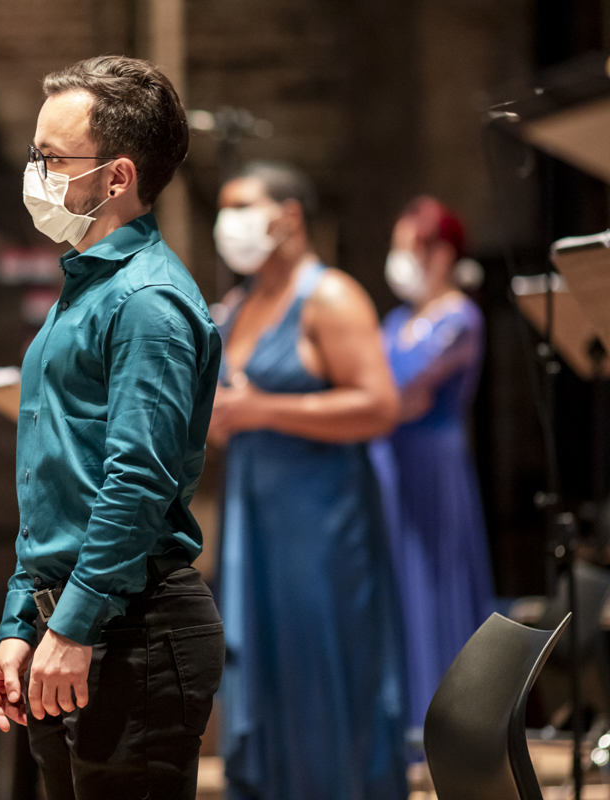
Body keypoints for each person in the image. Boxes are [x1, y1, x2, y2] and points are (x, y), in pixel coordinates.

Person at [0, 56, 224, 800]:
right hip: (76, 618)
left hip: (134, 630)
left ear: (117, 178)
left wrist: (75, 626)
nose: (35, 173)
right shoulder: (90, 286)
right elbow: (59, 479)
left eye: (51, 159)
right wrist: (22, 622)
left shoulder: (147, 299)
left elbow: (137, 480)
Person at [208, 162, 406, 799]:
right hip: (251, 514)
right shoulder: (237, 305)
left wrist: (265, 410)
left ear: (289, 215)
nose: (227, 222)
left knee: (322, 665)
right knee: (259, 664)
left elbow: (379, 405)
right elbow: (224, 417)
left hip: (321, 520)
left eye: (241, 205)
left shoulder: (332, 296)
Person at [369, 196, 494, 728]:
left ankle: (444, 720)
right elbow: (381, 394)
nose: (399, 260)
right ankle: (399, 715)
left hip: (433, 468)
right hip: (387, 466)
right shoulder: (397, 319)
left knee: (434, 580)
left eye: (409, 248)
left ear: (441, 253)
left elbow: (396, 390)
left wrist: (381, 401)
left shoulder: (460, 316)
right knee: (394, 582)